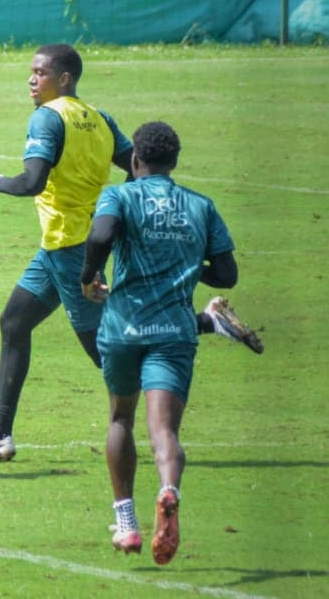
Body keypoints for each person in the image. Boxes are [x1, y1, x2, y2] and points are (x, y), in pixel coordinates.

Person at [0, 43, 262, 463]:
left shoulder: (47, 119)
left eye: (40, 73)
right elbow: (135, 164)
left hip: (72, 248)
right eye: (31, 73)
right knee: (14, 323)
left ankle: (205, 323)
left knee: (109, 354)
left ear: (64, 78)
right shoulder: (100, 119)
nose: (31, 80)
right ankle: (0, 435)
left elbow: (32, 182)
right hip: (61, 244)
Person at [79, 122, 237, 565]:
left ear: (134, 161)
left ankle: (126, 523)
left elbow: (101, 235)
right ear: (175, 162)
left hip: (123, 330)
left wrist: (90, 275)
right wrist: (184, 264)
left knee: (120, 419)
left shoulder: (121, 195)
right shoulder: (200, 205)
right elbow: (227, 275)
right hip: (174, 333)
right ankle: (169, 490)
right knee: (164, 430)